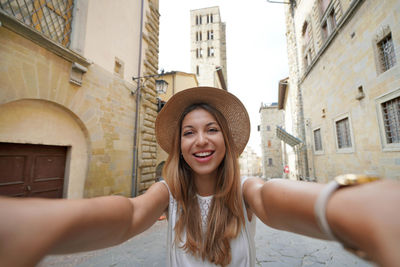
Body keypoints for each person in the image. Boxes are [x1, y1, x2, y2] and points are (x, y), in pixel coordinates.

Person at [0, 86, 399, 267]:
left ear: (226, 139)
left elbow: (272, 200)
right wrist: (45, 222)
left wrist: (340, 204)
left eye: (211, 129)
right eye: (188, 132)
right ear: (179, 144)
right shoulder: (168, 191)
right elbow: (128, 215)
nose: (201, 141)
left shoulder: (245, 189)